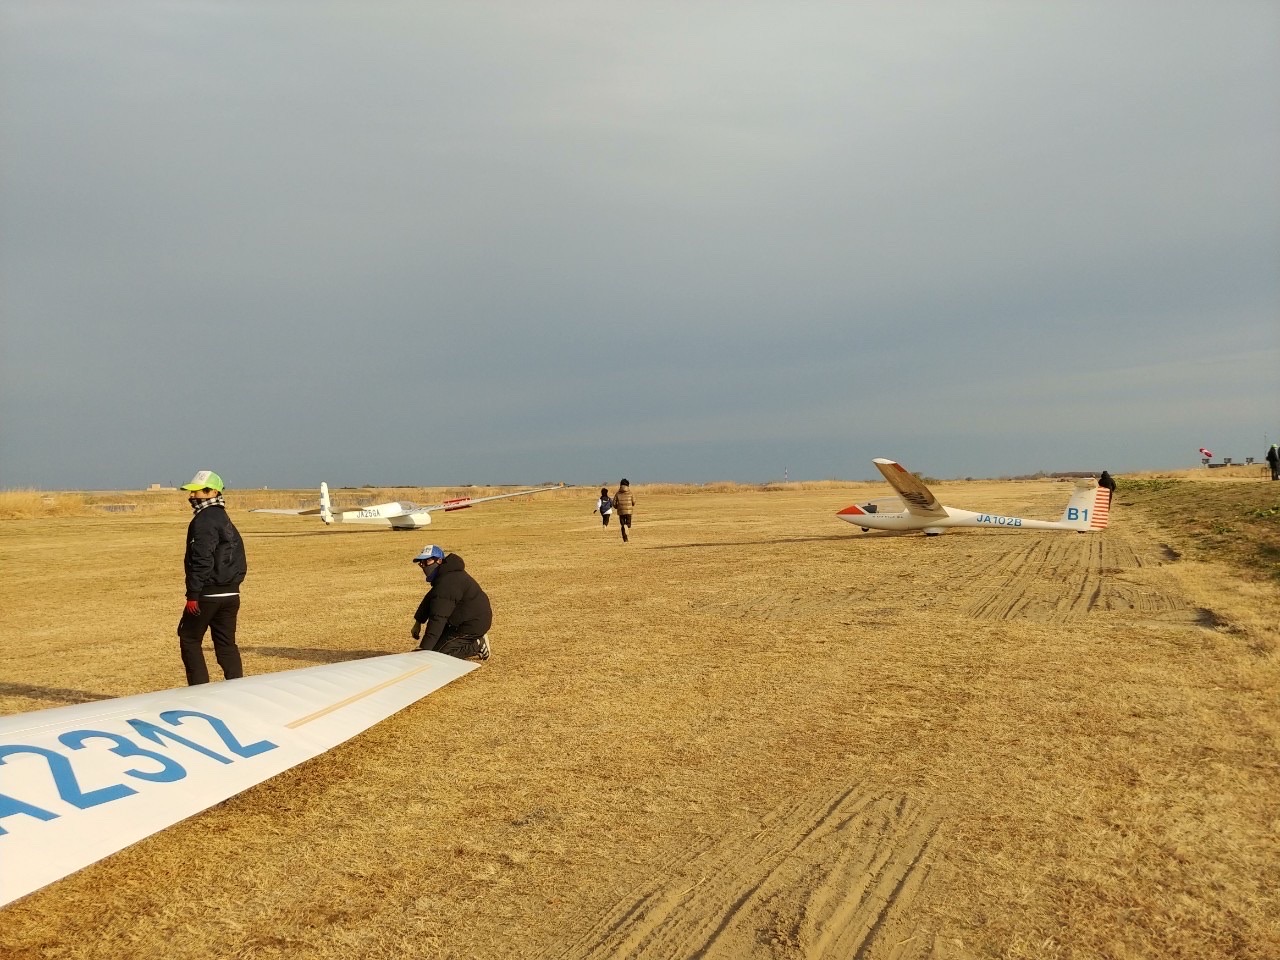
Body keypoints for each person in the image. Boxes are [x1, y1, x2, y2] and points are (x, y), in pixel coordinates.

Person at [177, 470, 247, 685]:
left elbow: (202, 558)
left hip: (207, 595)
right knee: (226, 645)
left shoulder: (203, 520)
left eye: (197, 492)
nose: (191, 496)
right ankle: (237, 689)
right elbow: (238, 556)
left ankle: (198, 692)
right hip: (231, 594)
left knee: (189, 639)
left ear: (213, 492)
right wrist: (234, 583)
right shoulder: (224, 518)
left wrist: (193, 595)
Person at [410, 544, 491, 661]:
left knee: (437, 656)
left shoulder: (448, 582)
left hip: (472, 624)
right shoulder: (445, 576)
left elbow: (438, 618)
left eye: (426, 561)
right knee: (434, 650)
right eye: (421, 562)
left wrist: (424, 650)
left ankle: (477, 645)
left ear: (439, 561)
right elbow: (431, 598)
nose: (423, 565)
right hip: (461, 621)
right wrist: (418, 621)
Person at [612, 478, 635, 543]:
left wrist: (617, 507)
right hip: (628, 512)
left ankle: (625, 539)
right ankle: (627, 526)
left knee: (622, 526)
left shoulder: (617, 493)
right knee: (628, 524)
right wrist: (631, 505)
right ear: (628, 485)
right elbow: (633, 502)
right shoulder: (630, 493)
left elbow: (614, 503)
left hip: (621, 512)